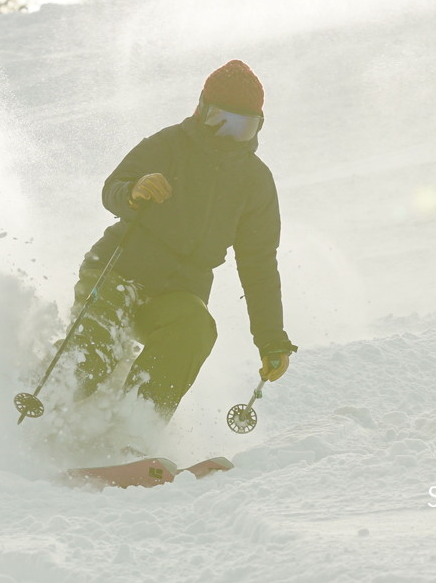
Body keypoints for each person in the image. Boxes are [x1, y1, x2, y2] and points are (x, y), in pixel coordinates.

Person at [66, 59, 296, 422]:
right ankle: (45, 404)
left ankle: (135, 428)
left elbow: (259, 265)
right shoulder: (168, 145)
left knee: (195, 327)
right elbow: (112, 189)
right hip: (116, 272)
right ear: (202, 110)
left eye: (244, 127)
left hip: (178, 291)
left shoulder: (255, 182)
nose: (230, 135)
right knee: (97, 352)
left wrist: (271, 339)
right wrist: (133, 192)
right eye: (221, 121)